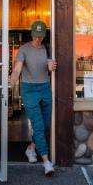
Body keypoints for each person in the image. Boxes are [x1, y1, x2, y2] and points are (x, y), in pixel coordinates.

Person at [9, 20, 57, 176]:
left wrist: (52, 68)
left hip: (45, 88)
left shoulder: (48, 49)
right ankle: (46, 162)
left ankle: (31, 149)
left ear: (44, 35)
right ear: (32, 34)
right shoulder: (24, 49)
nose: (38, 39)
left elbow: (50, 67)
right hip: (29, 90)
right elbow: (17, 69)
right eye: (36, 36)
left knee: (45, 124)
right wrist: (11, 81)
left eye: (40, 36)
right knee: (38, 125)